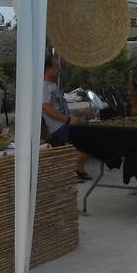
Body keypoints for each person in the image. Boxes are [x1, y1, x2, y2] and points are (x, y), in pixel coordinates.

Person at [41, 51, 91, 181]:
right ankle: (70, 170)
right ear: (47, 69)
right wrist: (68, 119)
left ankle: (77, 169)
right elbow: (46, 108)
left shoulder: (52, 85)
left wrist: (72, 117)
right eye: (56, 67)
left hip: (64, 123)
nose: (59, 69)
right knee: (88, 139)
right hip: (57, 127)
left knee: (90, 131)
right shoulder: (44, 87)